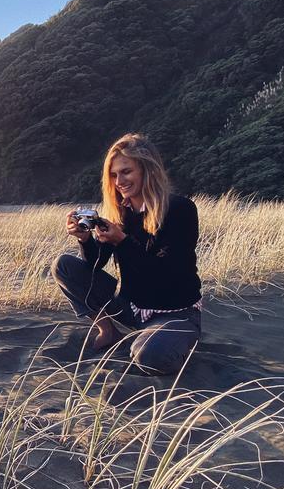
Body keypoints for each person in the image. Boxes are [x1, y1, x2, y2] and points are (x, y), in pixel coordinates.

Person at [51, 133, 202, 375]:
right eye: (113, 174)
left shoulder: (179, 209)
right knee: (64, 266)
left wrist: (122, 241)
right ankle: (108, 330)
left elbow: (169, 274)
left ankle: (169, 339)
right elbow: (96, 264)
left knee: (149, 356)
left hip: (175, 312)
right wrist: (86, 240)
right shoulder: (123, 212)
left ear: (147, 170)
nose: (119, 180)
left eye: (126, 171)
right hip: (130, 306)